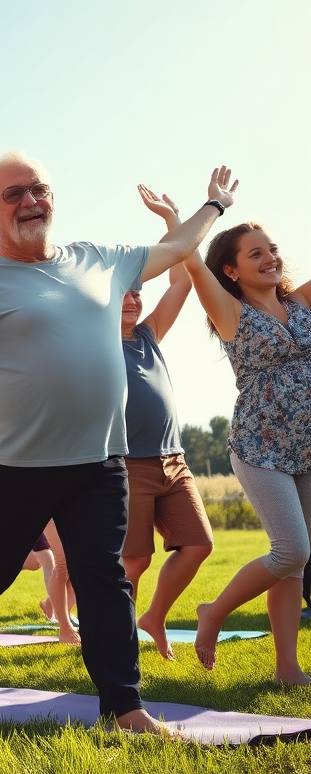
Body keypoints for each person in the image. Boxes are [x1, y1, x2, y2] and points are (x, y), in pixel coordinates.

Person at [0, 151, 238, 736]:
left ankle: (125, 707)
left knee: (104, 578)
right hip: (14, 466)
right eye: (13, 195)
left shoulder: (99, 260)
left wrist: (212, 207)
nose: (29, 202)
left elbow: (171, 253)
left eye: (37, 189)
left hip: (98, 462)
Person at [185, 222, 311, 683]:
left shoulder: (300, 303)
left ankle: (287, 668)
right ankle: (213, 613)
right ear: (231, 270)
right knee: (291, 550)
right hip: (261, 447)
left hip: (307, 449)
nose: (269, 258)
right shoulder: (231, 313)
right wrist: (201, 212)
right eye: (254, 253)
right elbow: (192, 263)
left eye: (272, 249)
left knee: (296, 561)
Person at [121, 186, 214, 661]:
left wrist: (172, 219)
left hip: (174, 461)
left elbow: (179, 283)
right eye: (124, 295)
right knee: (134, 559)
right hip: (128, 465)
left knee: (198, 543)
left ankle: (153, 615)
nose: (133, 300)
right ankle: (118, 643)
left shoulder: (149, 335)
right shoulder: (94, 345)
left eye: (137, 292)